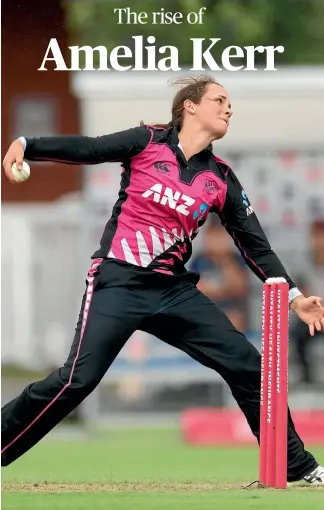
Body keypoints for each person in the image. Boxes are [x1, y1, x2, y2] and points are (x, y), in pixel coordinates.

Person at [2, 76, 324, 485]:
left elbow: (255, 246)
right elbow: (90, 148)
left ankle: (296, 467)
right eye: (219, 100)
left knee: (248, 364)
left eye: (230, 103)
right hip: (118, 280)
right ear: (190, 106)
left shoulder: (221, 179)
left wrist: (294, 296)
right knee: (76, 380)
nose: (229, 108)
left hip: (172, 291)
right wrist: (29, 144)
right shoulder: (147, 141)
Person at [190, 215, 249, 332]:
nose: (217, 241)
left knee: (233, 319)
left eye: (220, 236)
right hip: (207, 310)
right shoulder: (199, 260)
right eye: (213, 235)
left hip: (232, 310)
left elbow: (239, 289)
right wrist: (225, 289)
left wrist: (224, 260)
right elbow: (197, 291)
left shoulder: (235, 259)